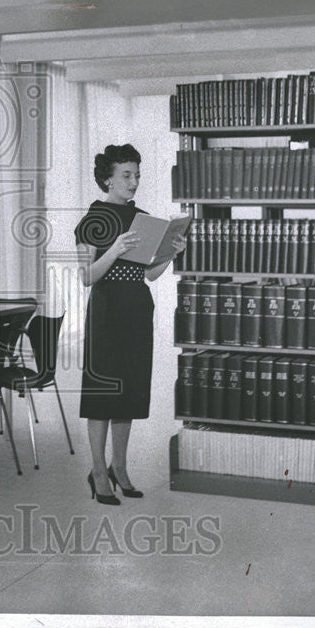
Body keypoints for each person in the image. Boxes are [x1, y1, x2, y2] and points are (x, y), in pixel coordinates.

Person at [73, 144, 187, 505]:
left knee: (129, 393)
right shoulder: (93, 219)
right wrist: (115, 250)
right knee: (102, 394)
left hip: (138, 308)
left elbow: (150, 275)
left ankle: (119, 467)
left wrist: (171, 252)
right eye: (127, 175)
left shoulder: (144, 218)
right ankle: (97, 472)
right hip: (106, 312)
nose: (134, 181)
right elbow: (87, 276)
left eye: (137, 174)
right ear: (108, 178)